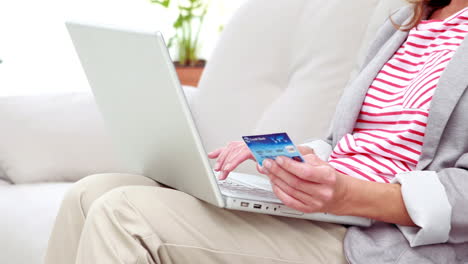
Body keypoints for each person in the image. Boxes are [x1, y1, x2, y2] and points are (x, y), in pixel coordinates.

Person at [45, 1, 468, 263]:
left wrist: (345, 195)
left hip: (380, 237)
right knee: (91, 192)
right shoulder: (402, 21)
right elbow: (350, 141)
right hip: (327, 208)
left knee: (124, 214)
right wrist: (278, 152)